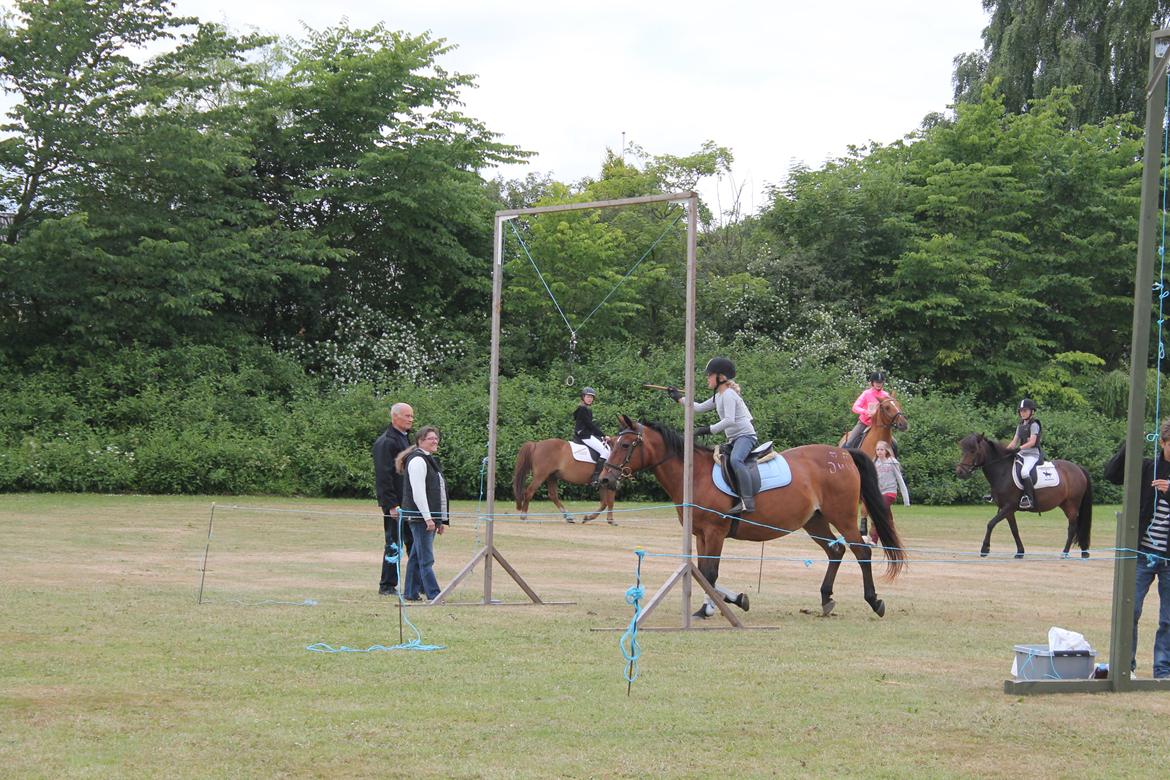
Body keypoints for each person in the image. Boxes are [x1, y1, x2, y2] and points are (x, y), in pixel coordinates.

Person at [1103, 420, 1170, 679]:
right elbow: (1111, 475)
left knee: (1168, 620)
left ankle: (1163, 670)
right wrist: (1129, 443)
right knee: (1130, 611)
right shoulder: (1148, 468)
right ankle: (1125, 666)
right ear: (1162, 443)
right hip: (1141, 554)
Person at [667, 356, 758, 514]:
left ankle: (748, 502)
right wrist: (678, 398)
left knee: (736, 460)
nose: (707, 379)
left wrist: (707, 429)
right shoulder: (719, 396)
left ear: (721, 377)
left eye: (710, 375)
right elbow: (699, 407)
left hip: (745, 437)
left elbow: (729, 420)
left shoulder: (729, 395)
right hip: (734, 439)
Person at [397, 425, 449, 602]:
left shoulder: (427, 459)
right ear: (420, 441)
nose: (435, 441)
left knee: (416, 556)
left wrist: (440, 520)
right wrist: (428, 518)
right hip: (420, 518)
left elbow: (437, 492)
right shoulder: (418, 461)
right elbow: (418, 493)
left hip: (428, 517)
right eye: (430, 438)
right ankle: (434, 594)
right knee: (426, 559)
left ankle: (410, 593)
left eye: (436, 438)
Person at [372, 402, 414, 596]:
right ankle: (387, 585)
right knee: (394, 542)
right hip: (395, 504)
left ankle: (417, 583)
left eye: (412, 416)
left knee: (413, 541)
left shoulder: (405, 439)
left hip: (408, 502)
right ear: (395, 417)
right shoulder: (386, 442)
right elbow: (384, 476)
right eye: (407, 416)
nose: (411, 419)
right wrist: (391, 505)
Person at [1007, 398, 1043, 510]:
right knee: (1006, 469)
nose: (1023, 413)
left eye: (1025, 411)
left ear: (1032, 412)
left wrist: (1019, 448)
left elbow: (1032, 442)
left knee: (1024, 472)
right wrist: (1005, 451)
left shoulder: (1034, 425)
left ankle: (1029, 498)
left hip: (1032, 455)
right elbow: (1014, 442)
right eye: (1021, 411)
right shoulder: (1020, 425)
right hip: (1022, 454)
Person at [872, 441, 909, 544]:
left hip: (890, 492)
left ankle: (874, 540)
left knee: (878, 513)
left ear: (886, 451)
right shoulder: (875, 462)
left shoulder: (892, 462)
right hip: (879, 494)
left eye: (881, 449)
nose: (879, 452)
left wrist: (906, 500)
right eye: (877, 449)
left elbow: (900, 480)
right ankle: (893, 538)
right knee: (887, 516)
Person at [572, 386, 610, 485]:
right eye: (588, 397)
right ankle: (595, 478)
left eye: (591, 397)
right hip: (584, 436)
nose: (590, 399)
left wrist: (599, 436)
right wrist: (603, 435)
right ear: (583, 397)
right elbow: (590, 425)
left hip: (586, 434)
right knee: (605, 452)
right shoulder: (583, 409)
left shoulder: (584, 408)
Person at [845, 371, 891, 449]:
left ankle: (894, 460)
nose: (878, 384)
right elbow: (855, 407)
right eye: (877, 382)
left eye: (880, 382)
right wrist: (866, 412)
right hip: (865, 423)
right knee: (850, 441)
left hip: (881, 425)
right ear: (872, 383)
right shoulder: (866, 393)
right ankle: (843, 456)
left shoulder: (886, 395)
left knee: (894, 443)